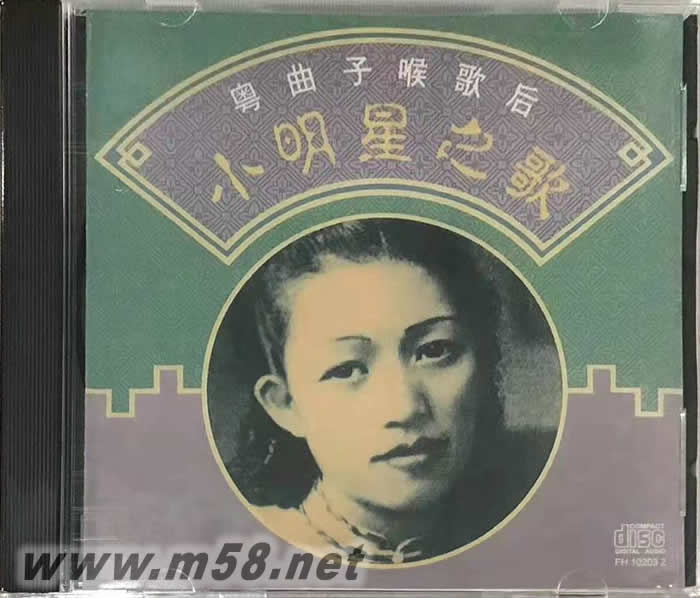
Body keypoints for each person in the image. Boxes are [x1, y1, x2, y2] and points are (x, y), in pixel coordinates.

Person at [211, 218, 554, 564]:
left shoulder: (539, 528)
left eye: (434, 350)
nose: (405, 408)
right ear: (285, 405)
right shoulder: (239, 547)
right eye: (347, 369)